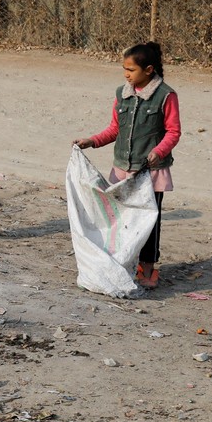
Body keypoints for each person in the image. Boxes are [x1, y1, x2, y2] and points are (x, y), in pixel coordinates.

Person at [73, 42, 181, 289]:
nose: (126, 74)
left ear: (149, 69)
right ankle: (125, 260)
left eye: (131, 69)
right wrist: (92, 141)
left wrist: (158, 151)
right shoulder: (122, 93)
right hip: (123, 168)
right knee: (123, 219)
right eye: (124, 69)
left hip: (150, 173)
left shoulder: (166, 95)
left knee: (149, 222)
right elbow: (114, 129)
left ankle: (148, 268)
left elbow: (173, 132)